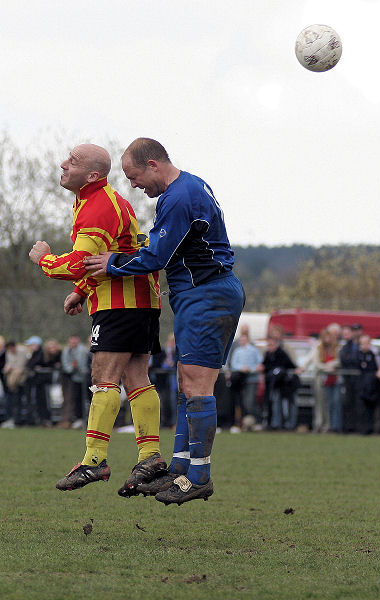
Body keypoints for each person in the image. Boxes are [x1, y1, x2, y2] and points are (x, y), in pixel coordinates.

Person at [85, 138, 245, 505]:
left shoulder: (177, 197)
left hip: (207, 294)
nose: (134, 185)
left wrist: (111, 262)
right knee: (186, 383)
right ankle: (179, 468)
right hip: (200, 294)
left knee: (198, 386)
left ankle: (199, 476)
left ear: (153, 164)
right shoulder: (191, 185)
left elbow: (156, 255)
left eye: (134, 176)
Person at [28, 143, 166, 496]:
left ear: (92, 174)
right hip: (141, 300)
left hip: (120, 303)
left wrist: (43, 259)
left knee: (104, 378)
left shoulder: (97, 205)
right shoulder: (104, 200)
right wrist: (82, 289)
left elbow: (77, 260)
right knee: (137, 378)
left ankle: (94, 461)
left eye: (71, 161)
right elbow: (100, 260)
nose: (62, 164)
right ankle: (150, 456)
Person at [59, 335, 90, 429]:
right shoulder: (66, 350)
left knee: (84, 398)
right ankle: (76, 419)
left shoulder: (83, 350)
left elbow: (82, 364)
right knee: (73, 399)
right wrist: (71, 368)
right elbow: (66, 364)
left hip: (83, 378)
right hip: (71, 378)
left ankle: (84, 419)